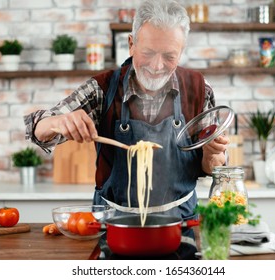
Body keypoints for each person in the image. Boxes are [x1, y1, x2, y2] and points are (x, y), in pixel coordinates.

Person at [24, 0, 229, 220]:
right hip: (114, 222)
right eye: (148, 53)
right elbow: (37, 129)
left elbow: (212, 167)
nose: (157, 66)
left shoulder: (199, 89)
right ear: (131, 44)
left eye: (169, 56)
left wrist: (212, 154)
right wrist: (57, 123)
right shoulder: (102, 89)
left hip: (181, 222)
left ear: (181, 52)